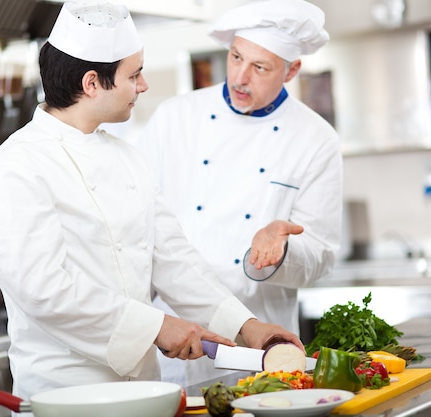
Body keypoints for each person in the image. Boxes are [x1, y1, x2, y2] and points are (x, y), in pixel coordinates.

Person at [0, 0, 305, 406]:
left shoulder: (128, 158)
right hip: (67, 400)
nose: (143, 85)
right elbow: (46, 291)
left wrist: (247, 326)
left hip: (148, 395)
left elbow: (174, 260)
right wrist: (156, 327)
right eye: (134, 74)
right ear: (92, 83)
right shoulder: (15, 169)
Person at [136, 0, 343, 386]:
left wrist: (283, 252)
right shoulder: (174, 118)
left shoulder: (315, 139)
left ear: (291, 70)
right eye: (235, 57)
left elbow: (322, 256)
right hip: (176, 337)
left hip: (260, 344)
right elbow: (139, 224)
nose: (240, 77)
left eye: (260, 67)